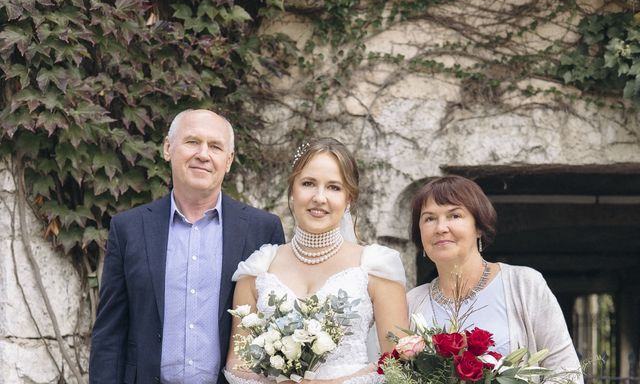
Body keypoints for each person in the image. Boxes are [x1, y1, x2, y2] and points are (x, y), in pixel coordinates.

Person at [89, 109, 285, 384]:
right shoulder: (128, 229)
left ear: (228, 161)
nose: (203, 154)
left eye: (215, 146)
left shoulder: (262, 229)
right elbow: (109, 333)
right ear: (168, 148)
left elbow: (276, 329)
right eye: (192, 142)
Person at [224, 138, 409, 384]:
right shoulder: (258, 268)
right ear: (293, 191)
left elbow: (397, 362)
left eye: (334, 187)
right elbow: (237, 361)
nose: (319, 197)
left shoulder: (376, 267)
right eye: (308, 183)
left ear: (349, 198)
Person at [407, 175, 582, 380]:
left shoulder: (525, 284)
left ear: (479, 227)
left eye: (454, 215)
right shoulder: (412, 302)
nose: (440, 228)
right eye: (429, 218)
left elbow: (566, 371)